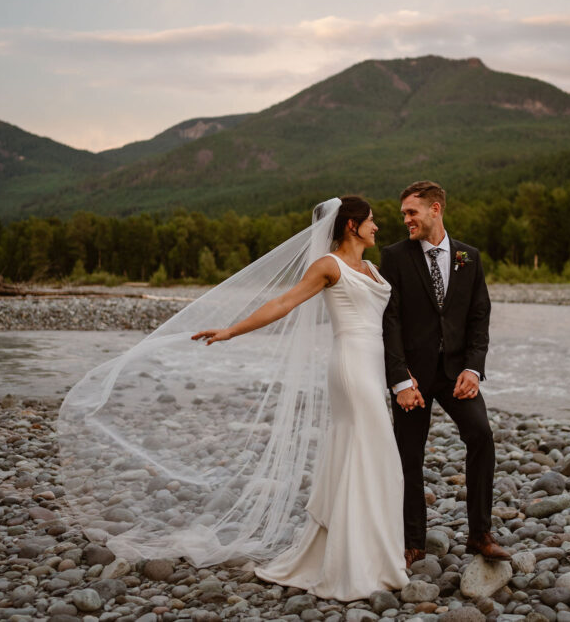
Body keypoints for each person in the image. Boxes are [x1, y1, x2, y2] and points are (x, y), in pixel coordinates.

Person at [192, 196, 409, 601]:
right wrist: (230, 331)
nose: (377, 227)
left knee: (370, 458)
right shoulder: (329, 265)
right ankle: (352, 563)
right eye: (372, 221)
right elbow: (283, 302)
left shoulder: (374, 269)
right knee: (370, 453)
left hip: (374, 366)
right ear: (351, 226)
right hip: (350, 366)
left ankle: (367, 555)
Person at [380, 180, 511, 567]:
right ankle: (413, 542)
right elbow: (390, 320)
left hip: (457, 374)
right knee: (409, 456)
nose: (405, 219)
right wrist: (400, 379)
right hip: (413, 379)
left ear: (435, 210)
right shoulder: (395, 256)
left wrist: (473, 368)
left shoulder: (468, 256)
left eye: (411, 212)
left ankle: (480, 534)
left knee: (482, 436)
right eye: (403, 213)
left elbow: (479, 316)